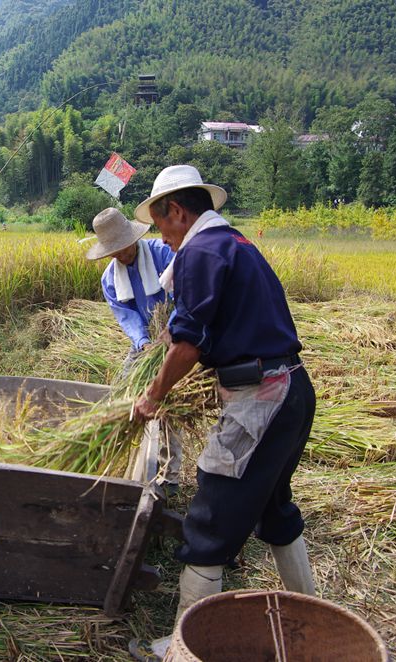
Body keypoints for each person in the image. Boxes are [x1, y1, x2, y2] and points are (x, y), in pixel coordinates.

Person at [126, 165, 317, 661]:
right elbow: (214, 322)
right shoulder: (236, 244)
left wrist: (153, 394)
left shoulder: (199, 251)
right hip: (293, 389)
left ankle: (183, 648)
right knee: (272, 505)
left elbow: (188, 344)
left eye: (162, 222)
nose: (162, 236)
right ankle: (314, 613)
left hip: (261, 400)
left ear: (178, 211)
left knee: (210, 515)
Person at [85, 207, 181, 494]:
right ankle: (115, 455)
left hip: (177, 339)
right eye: (113, 251)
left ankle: (170, 473)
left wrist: (171, 331)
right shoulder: (110, 279)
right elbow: (127, 317)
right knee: (120, 394)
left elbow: (186, 296)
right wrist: (143, 343)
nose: (120, 255)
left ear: (133, 238)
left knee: (169, 403)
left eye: (122, 247)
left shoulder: (163, 255)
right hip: (144, 345)